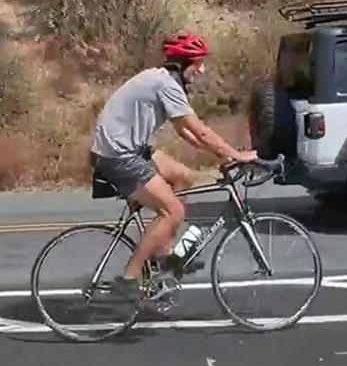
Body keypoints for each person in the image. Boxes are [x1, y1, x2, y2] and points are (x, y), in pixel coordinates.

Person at [90, 32, 259, 301]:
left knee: (183, 177)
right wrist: (235, 156)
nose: (202, 70)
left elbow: (185, 132)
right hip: (119, 156)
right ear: (181, 64)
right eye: (197, 64)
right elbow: (199, 131)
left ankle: (165, 260)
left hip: (130, 149)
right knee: (173, 210)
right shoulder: (166, 85)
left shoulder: (164, 81)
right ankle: (129, 279)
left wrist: (220, 155)